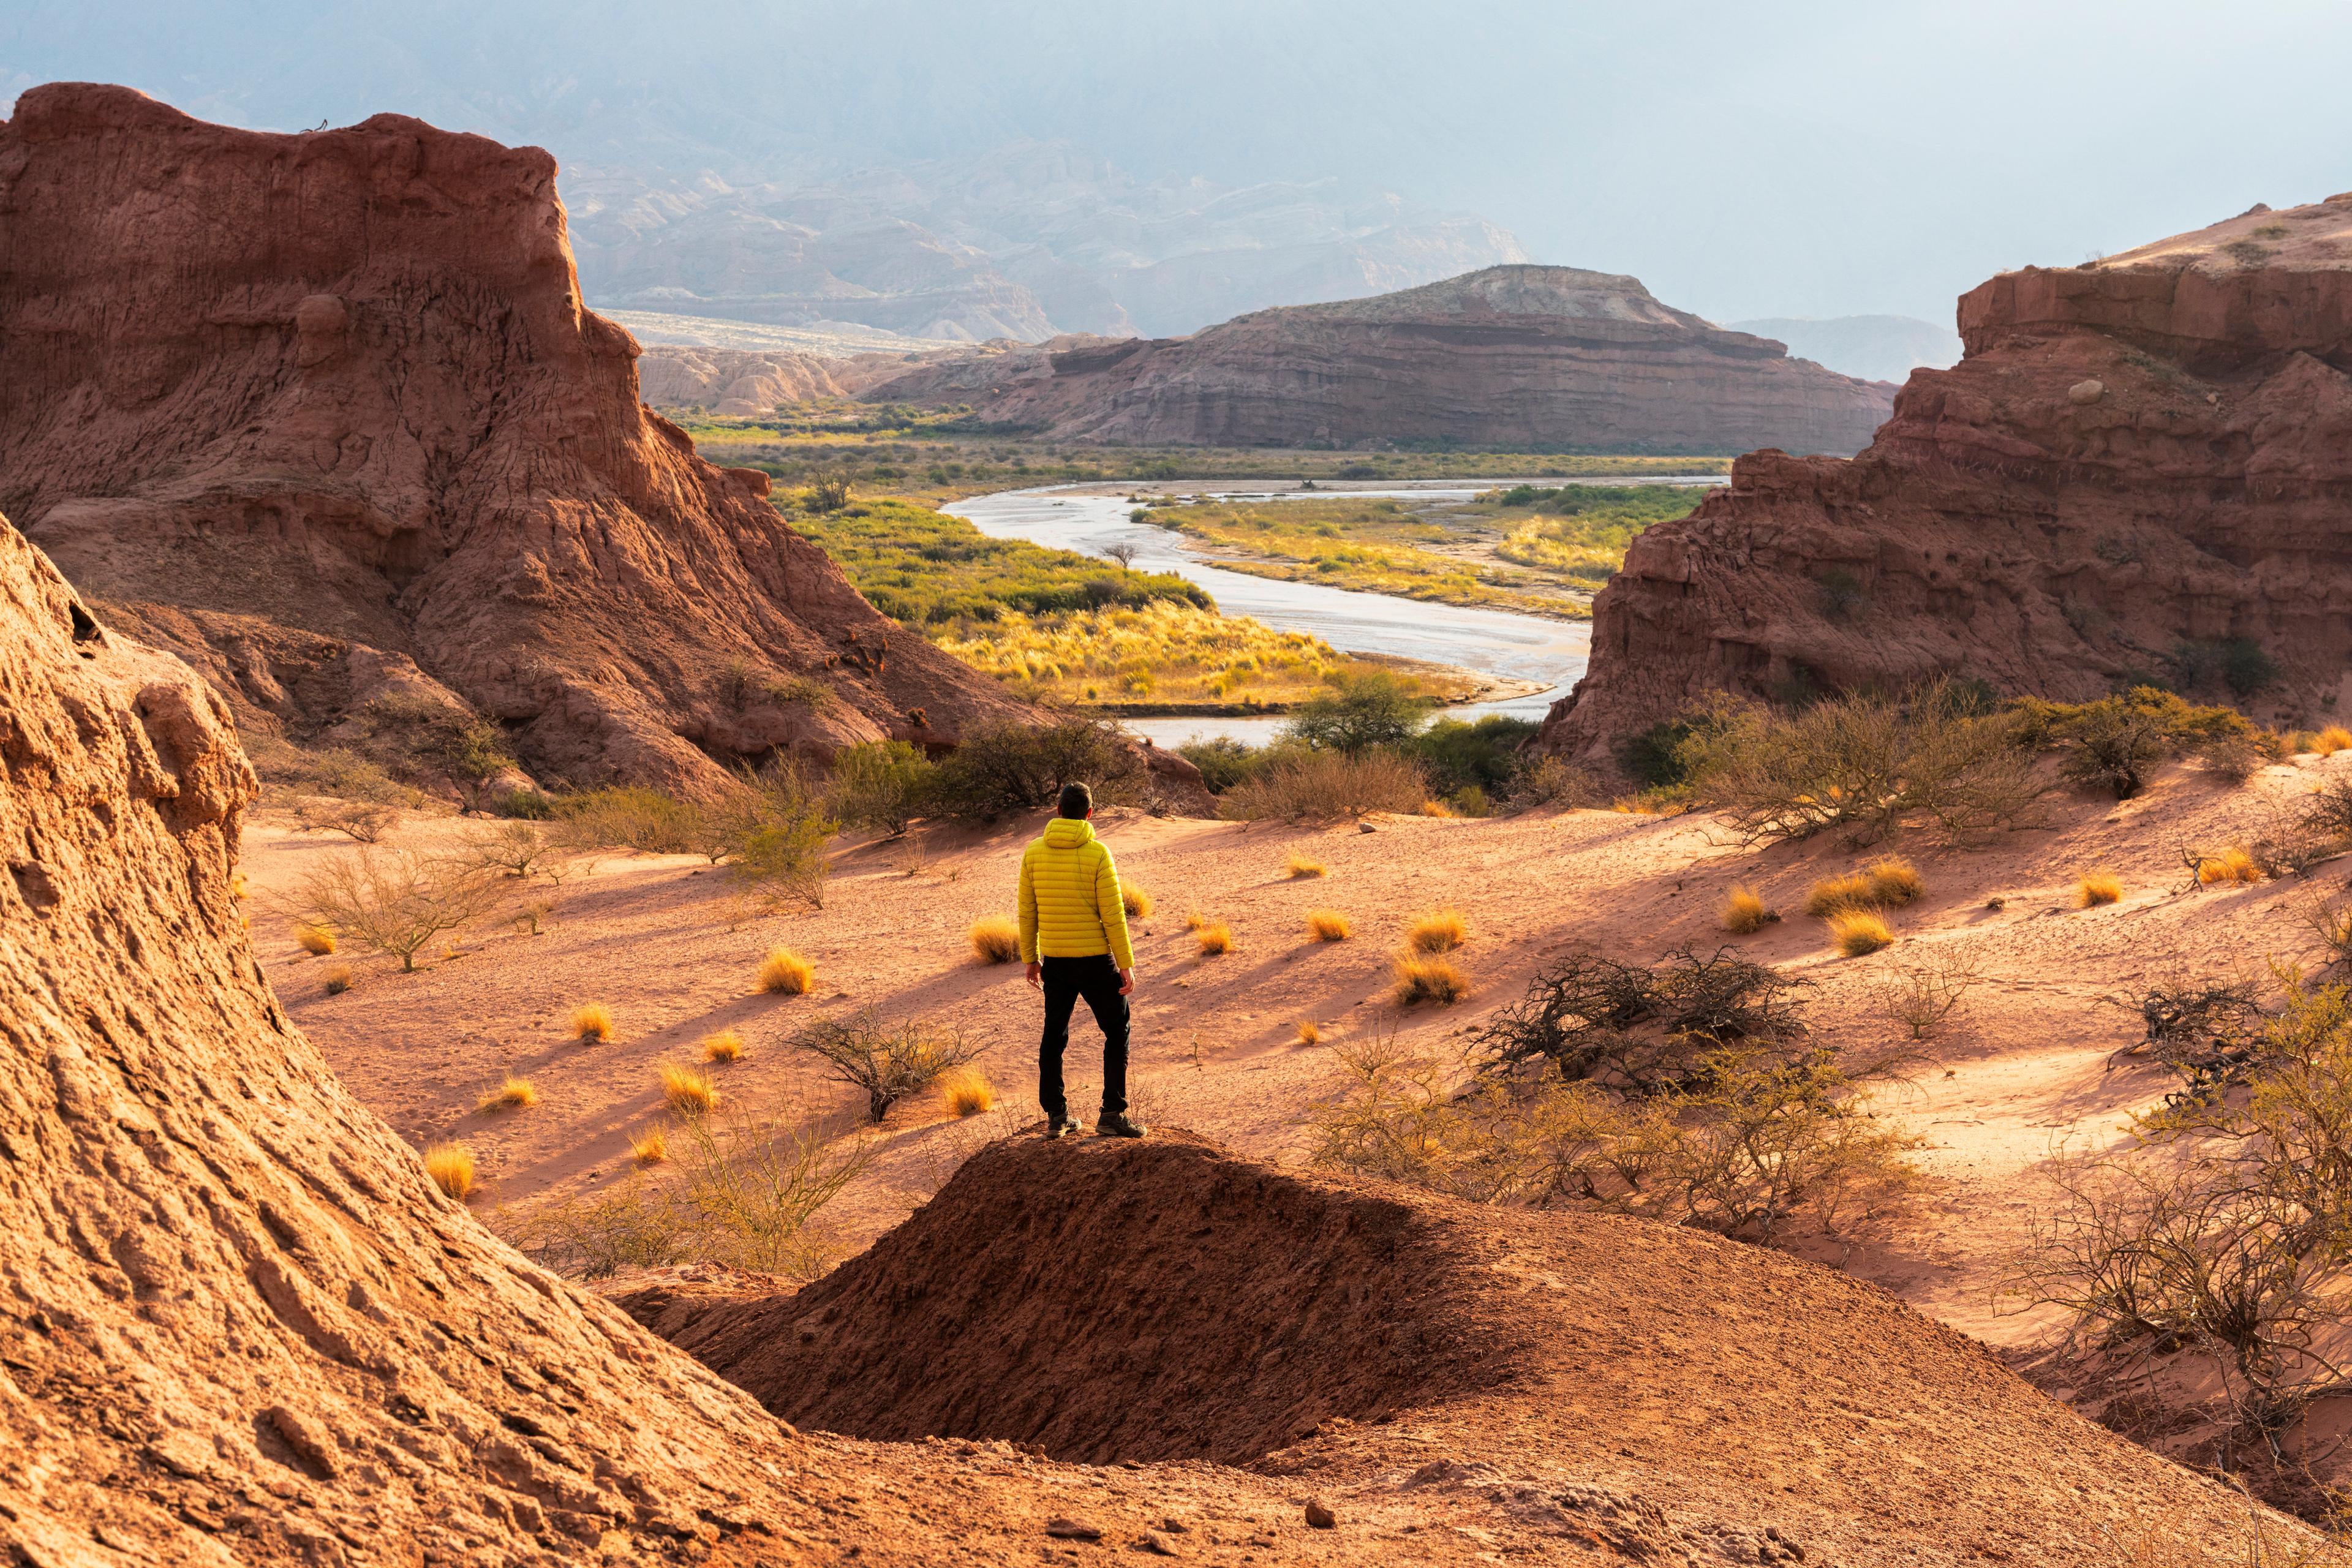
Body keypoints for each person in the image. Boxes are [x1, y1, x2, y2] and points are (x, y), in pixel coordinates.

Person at [1016, 782, 1147, 1140]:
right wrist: (1126, 962)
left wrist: (1032, 959)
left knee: (1054, 1036)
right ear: (1090, 813)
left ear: (1057, 811)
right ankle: (1112, 1114)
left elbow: (1028, 912)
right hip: (1096, 962)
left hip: (1056, 962)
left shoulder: (1033, 852)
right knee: (1117, 1033)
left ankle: (1057, 1116)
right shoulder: (1099, 853)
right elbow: (1114, 915)